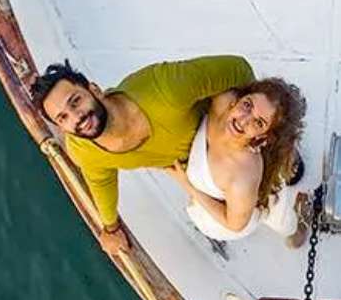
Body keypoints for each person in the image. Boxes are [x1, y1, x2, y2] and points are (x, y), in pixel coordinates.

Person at [31, 55, 256, 254]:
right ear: (62, 129)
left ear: (95, 90)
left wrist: (237, 129)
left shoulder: (167, 87)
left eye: (75, 101)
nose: (76, 117)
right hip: (194, 169)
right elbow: (101, 181)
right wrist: (111, 228)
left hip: (225, 136)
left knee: (241, 210)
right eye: (63, 118)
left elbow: (239, 69)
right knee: (222, 221)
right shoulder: (83, 151)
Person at [169, 78, 308, 247]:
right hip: (209, 203)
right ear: (238, 98)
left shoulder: (244, 176)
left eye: (259, 122)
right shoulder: (222, 101)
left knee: (278, 215)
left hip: (231, 214)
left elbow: (234, 224)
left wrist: (188, 186)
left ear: (263, 136)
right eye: (247, 105)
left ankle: (297, 227)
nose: (242, 120)